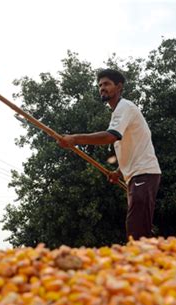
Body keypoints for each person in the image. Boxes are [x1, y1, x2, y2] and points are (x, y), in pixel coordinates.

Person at [59, 69, 161, 240]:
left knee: (136, 229)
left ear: (119, 86)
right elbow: (131, 148)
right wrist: (118, 173)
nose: (101, 88)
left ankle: (142, 264)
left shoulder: (125, 107)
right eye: (99, 85)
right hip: (136, 176)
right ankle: (151, 263)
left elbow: (110, 136)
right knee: (139, 226)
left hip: (144, 173)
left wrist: (75, 138)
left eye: (106, 84)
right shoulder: (118, 113)